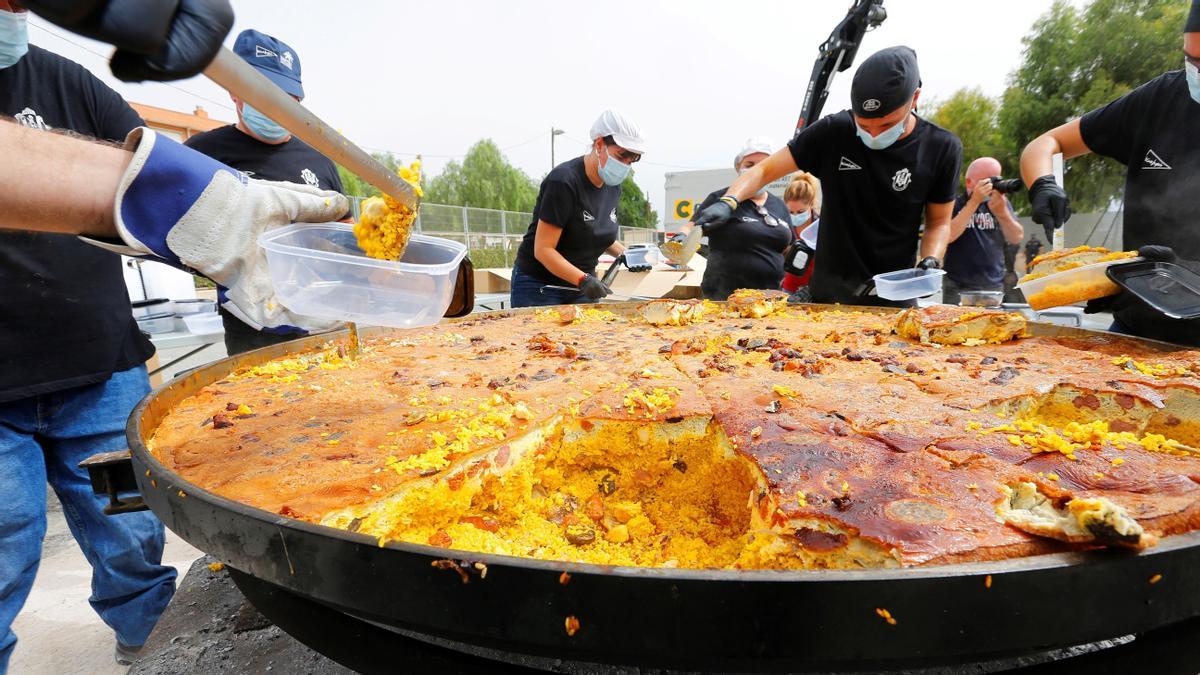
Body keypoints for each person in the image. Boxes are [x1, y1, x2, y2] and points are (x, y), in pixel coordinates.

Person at [0, 4, 178, 668]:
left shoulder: (69, 84)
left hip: (99, 378)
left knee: (129, 530)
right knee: (1, 544)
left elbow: (163, 179)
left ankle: (152, 646)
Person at [690, 46, 961, 307]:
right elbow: (764, 169)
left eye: (887, 124)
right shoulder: (833, 132)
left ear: (914, 99)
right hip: (828, 296)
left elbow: (938, 222)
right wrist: (729, 201)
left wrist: (931, 260)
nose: (875, 134)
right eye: (864, 125)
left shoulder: (941, 148)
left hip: (892, 298)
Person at [1019, 1, 1200, 346]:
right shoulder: (1160, 99)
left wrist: (1184, 277)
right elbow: (1047, 142)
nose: (1196, 71)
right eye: (1190, 59)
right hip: (1134, 327)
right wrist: (1043, 183)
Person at [185, 29, 344, 354]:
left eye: (288, 99)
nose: (276, 107)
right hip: (253, 332)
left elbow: (343, 238)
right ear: (235, 90)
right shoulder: (202, 155)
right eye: (265, 94)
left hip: (325, 324)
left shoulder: (320, 161)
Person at [510, 110, 646, 307]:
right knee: (540, 338)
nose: (625, 165)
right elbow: (543, 249)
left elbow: (595, 232)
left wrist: (627, 255)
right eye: (621, 156)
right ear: (599, 145)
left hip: (583, 286)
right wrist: (582, 280)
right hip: (541, 286)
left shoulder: (613, 186)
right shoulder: (564, 181)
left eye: (631, 160)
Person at [672, 138, 793, 300]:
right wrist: (680, 239)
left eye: (764, 165)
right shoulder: (721, 199)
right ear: (738, 167)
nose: (756, 170)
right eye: (749, 165)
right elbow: (690, 227)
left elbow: (787, 249)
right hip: (723, 297)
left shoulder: (780, 205)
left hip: (770, 299)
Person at [942, 157, 1024, 305]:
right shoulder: (954, 204)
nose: (992, 186)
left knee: (991, 327)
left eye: (996, 180)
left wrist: (1002, 212)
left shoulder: (999, 204)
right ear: (969, 182)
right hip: (957, 284)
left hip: (993, 283)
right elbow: (949, 236)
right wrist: (974, 202)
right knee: (953, 325)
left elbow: (1016, 237)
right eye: (987, 181)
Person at [781, 172, 821, 294]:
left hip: (817, 288)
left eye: (800, 211)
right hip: (790, 287)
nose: (795, 216)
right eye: (791, 212)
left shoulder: (821, 226)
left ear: (811, 204)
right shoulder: (783, 225)